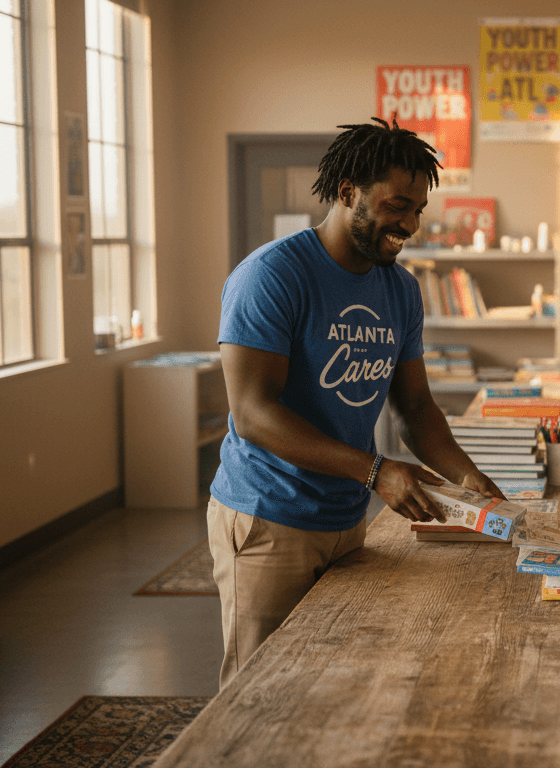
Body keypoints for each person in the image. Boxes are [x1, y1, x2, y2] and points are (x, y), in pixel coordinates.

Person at [207, 118, 502, 688]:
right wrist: (375, 471)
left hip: (347, 518)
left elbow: (416, 409)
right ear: (348, 193)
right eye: (397, 206)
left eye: (417, 209)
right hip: (269, 516)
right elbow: (253, 413)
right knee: (259, 695)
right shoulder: (271, 277)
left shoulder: (399, 288)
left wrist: (469, 477)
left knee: (333, 681)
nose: (410, 225)